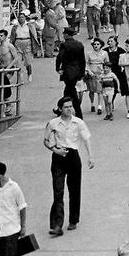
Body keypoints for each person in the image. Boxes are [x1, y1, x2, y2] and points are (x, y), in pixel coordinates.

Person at [44, 96, 94, 236]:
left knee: (74, 189)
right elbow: (46, 141)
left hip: (73, 157)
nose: (69, 109)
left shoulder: (78, 123)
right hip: (59, 156)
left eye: (71, 106)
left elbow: (86, 139)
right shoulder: (53, 123)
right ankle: (57, 225)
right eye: (66, 107)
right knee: (58, 191)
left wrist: (90, 157)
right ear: (60, 109)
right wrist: (55, 150)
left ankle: (73, 219)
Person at [55, 27, 87, 118]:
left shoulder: (64, 45)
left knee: (71, 91)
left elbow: (60, 57)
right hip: (77, 71)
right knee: (68, 90)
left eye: (64, 34)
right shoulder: (79, 44)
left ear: (66, 35)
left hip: (68, 71)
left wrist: (58, 68)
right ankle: (60, 109)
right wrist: (82, 72)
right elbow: (82, 60)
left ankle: (78, 112)